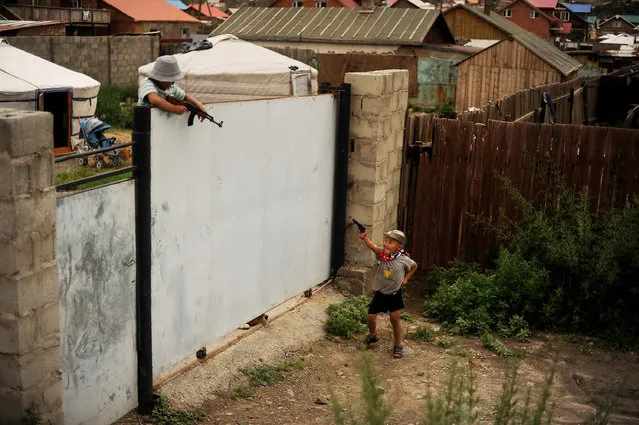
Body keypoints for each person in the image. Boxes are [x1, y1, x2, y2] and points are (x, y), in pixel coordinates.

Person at [359, 229, 418, 358]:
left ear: (400, 246)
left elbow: (415, 266)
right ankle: (373, 335)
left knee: (395, 320)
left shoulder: (404, 260)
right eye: (385, 241)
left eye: (390, 242)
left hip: (394, 294)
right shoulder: (382, 255)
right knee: (370, 316)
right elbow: (374, 247)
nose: (385, 244)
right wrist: (365, 239)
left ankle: (398, 344)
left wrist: (406, 278)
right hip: (380, 292)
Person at [138, 55, 206, 118]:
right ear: (161, 79)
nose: (173, 83)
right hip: (145, 125)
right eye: (170, 80)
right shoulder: (147, 83)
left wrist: (198, 104)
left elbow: (185, 97)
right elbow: (155, 100)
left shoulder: (171, 88)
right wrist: (174, 109)